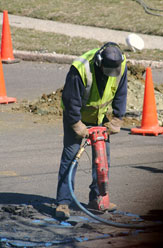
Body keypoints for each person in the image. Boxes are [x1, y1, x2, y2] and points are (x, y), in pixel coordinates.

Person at [55, 42, 127, 219]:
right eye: (107, 70)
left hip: (99, 116)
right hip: (77, 114)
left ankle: (97, 199)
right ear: (99, 63)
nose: (111, 74)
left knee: (103, 159)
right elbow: (70, 99)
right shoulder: (80, 69)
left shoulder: (121, 64)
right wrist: (76, 124)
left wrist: (117, 118)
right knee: (71, 156)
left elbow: (121, 92)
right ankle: (63, 203)